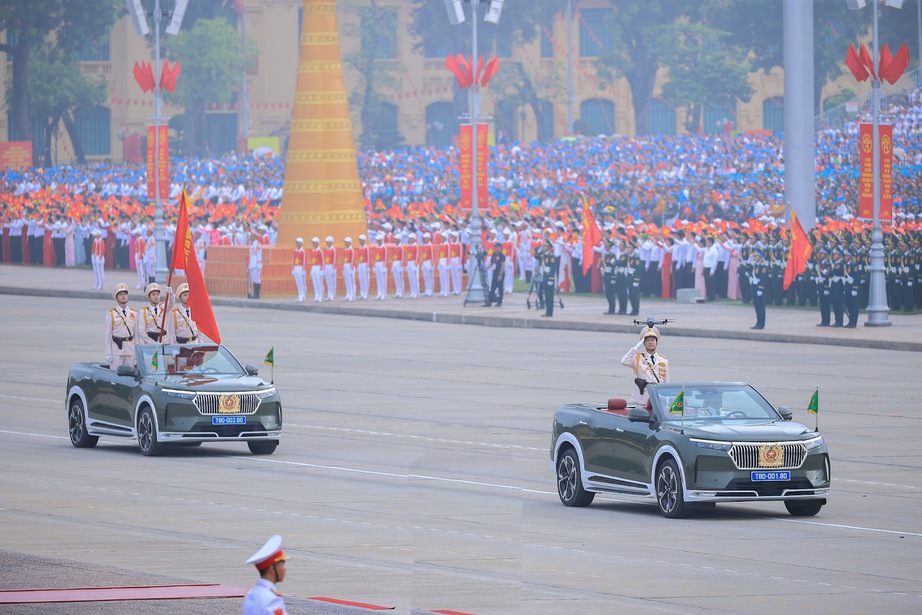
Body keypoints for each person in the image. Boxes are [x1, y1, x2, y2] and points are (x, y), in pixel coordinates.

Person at [620, 325, 669, 406]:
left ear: (657, 342)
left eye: (653, 340)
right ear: (644, 343)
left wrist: (666, 400)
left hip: (659, 397)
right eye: (647, 340)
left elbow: (666, 382)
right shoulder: (638, 358)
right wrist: (636, 347)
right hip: (643, 399)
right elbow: (624, 361)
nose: (650, 342)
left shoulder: (663, 360)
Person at [243, 534, 289, 615]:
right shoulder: (272, 600)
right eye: (282, 564)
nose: (285, 569)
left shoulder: (251, 595)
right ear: (272, 569)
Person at [105, 283, 137, 368]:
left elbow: (136, 335)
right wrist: (108, 353)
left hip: (130, 350)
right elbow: (108, 335)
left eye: (125, 294)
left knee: (129, 376)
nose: (123, 296)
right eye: (120, 294)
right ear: (116, 297)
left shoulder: (133, 313)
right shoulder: (111, 313)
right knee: (116, 376)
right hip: (116, 350)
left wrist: (137, 351)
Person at [749, 251, 766, 329]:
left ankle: (761, 323)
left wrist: (760, 289)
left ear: (760, 257)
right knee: (756, 306)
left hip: (759, 288)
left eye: (756, 256)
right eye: (754, 256)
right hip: (754, 287)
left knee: (760, 306)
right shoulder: (755, 265)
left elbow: (763, 279)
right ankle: (758, 323)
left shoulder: (763, 266)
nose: (754, 258)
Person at [486, 240, 505, 307]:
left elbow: (503, 265)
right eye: (495, 247)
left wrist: (500, 274)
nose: (496, 248)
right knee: (492, 287)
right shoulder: (494, 254)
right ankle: (489, 301)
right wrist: (485, 268)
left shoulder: (502, 255)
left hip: (499, 273)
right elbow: (491, 263)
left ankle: (499, 302)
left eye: (497, 247)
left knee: (500, 288)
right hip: (494, 272)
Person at [291, 237, 307, 303]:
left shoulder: (303, 251)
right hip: (296, 267)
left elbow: (304, 261)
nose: (296, 243)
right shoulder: (295, 251)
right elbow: (293, 260)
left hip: (301, 268)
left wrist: (303, 270)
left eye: (297, 242)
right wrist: (293, 268)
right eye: (296, 242)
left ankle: (303, 296)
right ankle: (299, 295)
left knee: (302, 282)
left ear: (301, 243)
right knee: (298, 282)